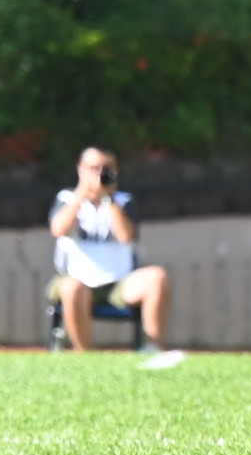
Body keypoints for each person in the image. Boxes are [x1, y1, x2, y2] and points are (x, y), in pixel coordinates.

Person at [49, 145, 173, 353]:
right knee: (71, 288)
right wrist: (81, 195)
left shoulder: (123, 201)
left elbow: (126, 236)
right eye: (93, 168)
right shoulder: (66, 199)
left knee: (157, 278)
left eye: (105, 169)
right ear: (80, 169)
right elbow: (59, 229)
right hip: (78, 280)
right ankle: (84, 354)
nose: (99, 174)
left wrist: (108, 199)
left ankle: (153, 348)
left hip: (119, 282)